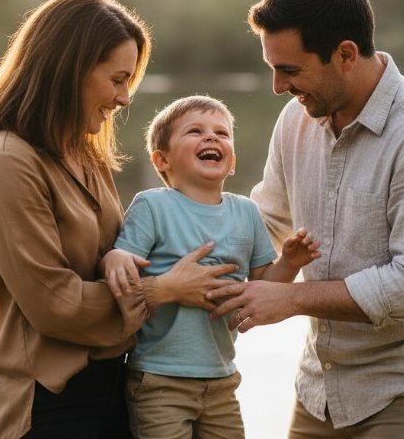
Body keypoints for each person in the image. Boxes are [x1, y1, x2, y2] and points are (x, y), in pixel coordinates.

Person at [208, 0, 404, 438]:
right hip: (322, 389)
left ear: (346, 54)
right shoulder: (296, 120)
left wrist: (291, 298)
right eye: (273, 68)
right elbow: (263, 221)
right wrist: (164, 251)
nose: (278, 86)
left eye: (290, 70)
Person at [0, 0, 238, 439]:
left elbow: (118, 253)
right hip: (46, 402)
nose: (124, 98)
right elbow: (54, 304)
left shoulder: (82, 152)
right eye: (117, 79)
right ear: (71, 69)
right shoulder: (5, 161)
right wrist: (163, 290)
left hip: (114, 383)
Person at [101, 95, 321, 439]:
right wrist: (115, 256)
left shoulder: (246, 213)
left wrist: (290, 263)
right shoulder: (152, 206)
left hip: (221, 377)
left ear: (232, 161)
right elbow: (124, 265)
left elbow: (264, 283)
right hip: (160, 378)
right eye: (195, 131)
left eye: (222, 133)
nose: (211, 138)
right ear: (163, 159)